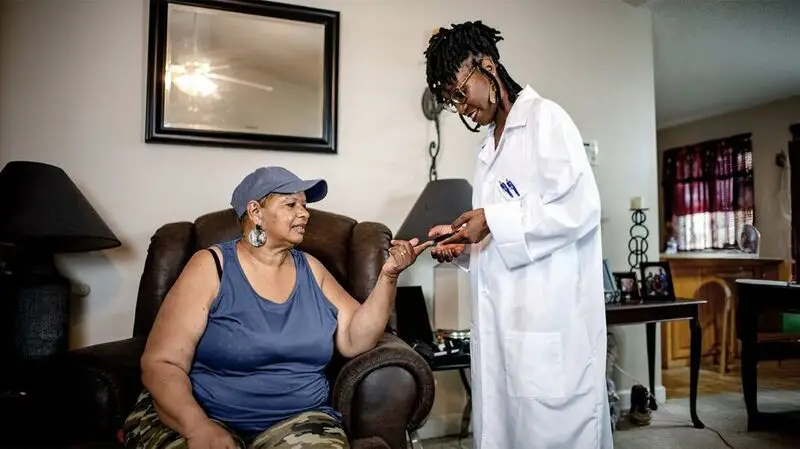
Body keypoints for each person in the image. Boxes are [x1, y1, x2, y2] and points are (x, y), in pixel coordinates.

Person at [123, 166, 431, 449]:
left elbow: (355, 339)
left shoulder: (311, 268)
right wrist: (197, 427)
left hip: (299, 420)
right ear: (256, 211)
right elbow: (162, 362)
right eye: (291, 205)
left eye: (305, 205)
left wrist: (388, 275)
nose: (305, 214)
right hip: (207, 415)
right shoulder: (210, 266)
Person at [423, 21, 612, 449]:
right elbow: (502, 231)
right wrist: (465, 243)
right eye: (452, 101)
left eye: (460, 93)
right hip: (502, 327)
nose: (461, 108)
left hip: (547, 323)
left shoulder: (546, 119)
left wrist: (491, 220)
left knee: (550, 435)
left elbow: (580, 208)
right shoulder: (488, 148)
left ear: (486, 66)